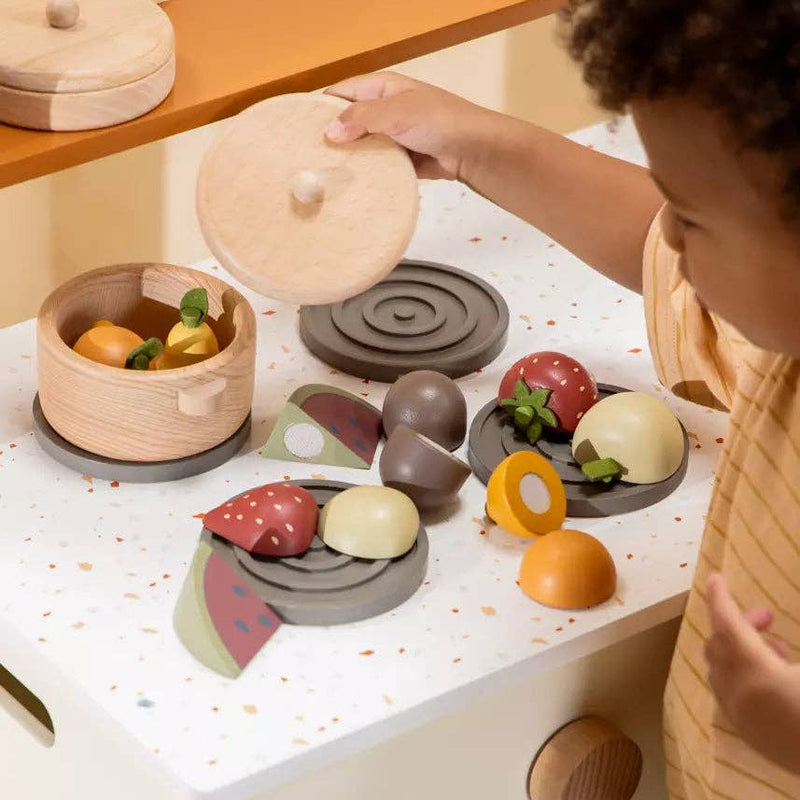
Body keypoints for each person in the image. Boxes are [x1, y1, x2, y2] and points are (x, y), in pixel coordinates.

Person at [324, 2, 800, 798]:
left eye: (689, 215)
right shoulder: (781, 338)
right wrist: (479, 145)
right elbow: (652, 245)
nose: (673, 239)